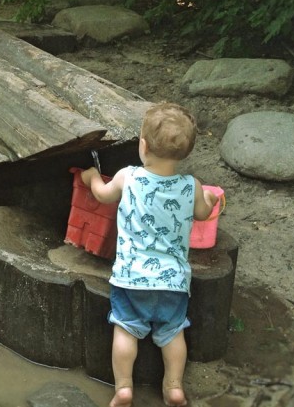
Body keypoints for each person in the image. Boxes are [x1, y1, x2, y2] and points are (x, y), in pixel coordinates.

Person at [81, 102, 220, 407]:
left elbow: (102, 195)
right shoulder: (191, 186)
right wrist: (209, 199)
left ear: (142, 146)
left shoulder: (128, 177)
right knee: (173, 333)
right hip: (173, 283)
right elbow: (203, 213)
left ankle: (124, 388)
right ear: (186, 153)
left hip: (131, 278)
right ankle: (173, 387)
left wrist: (91, 177)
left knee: (125, 329)